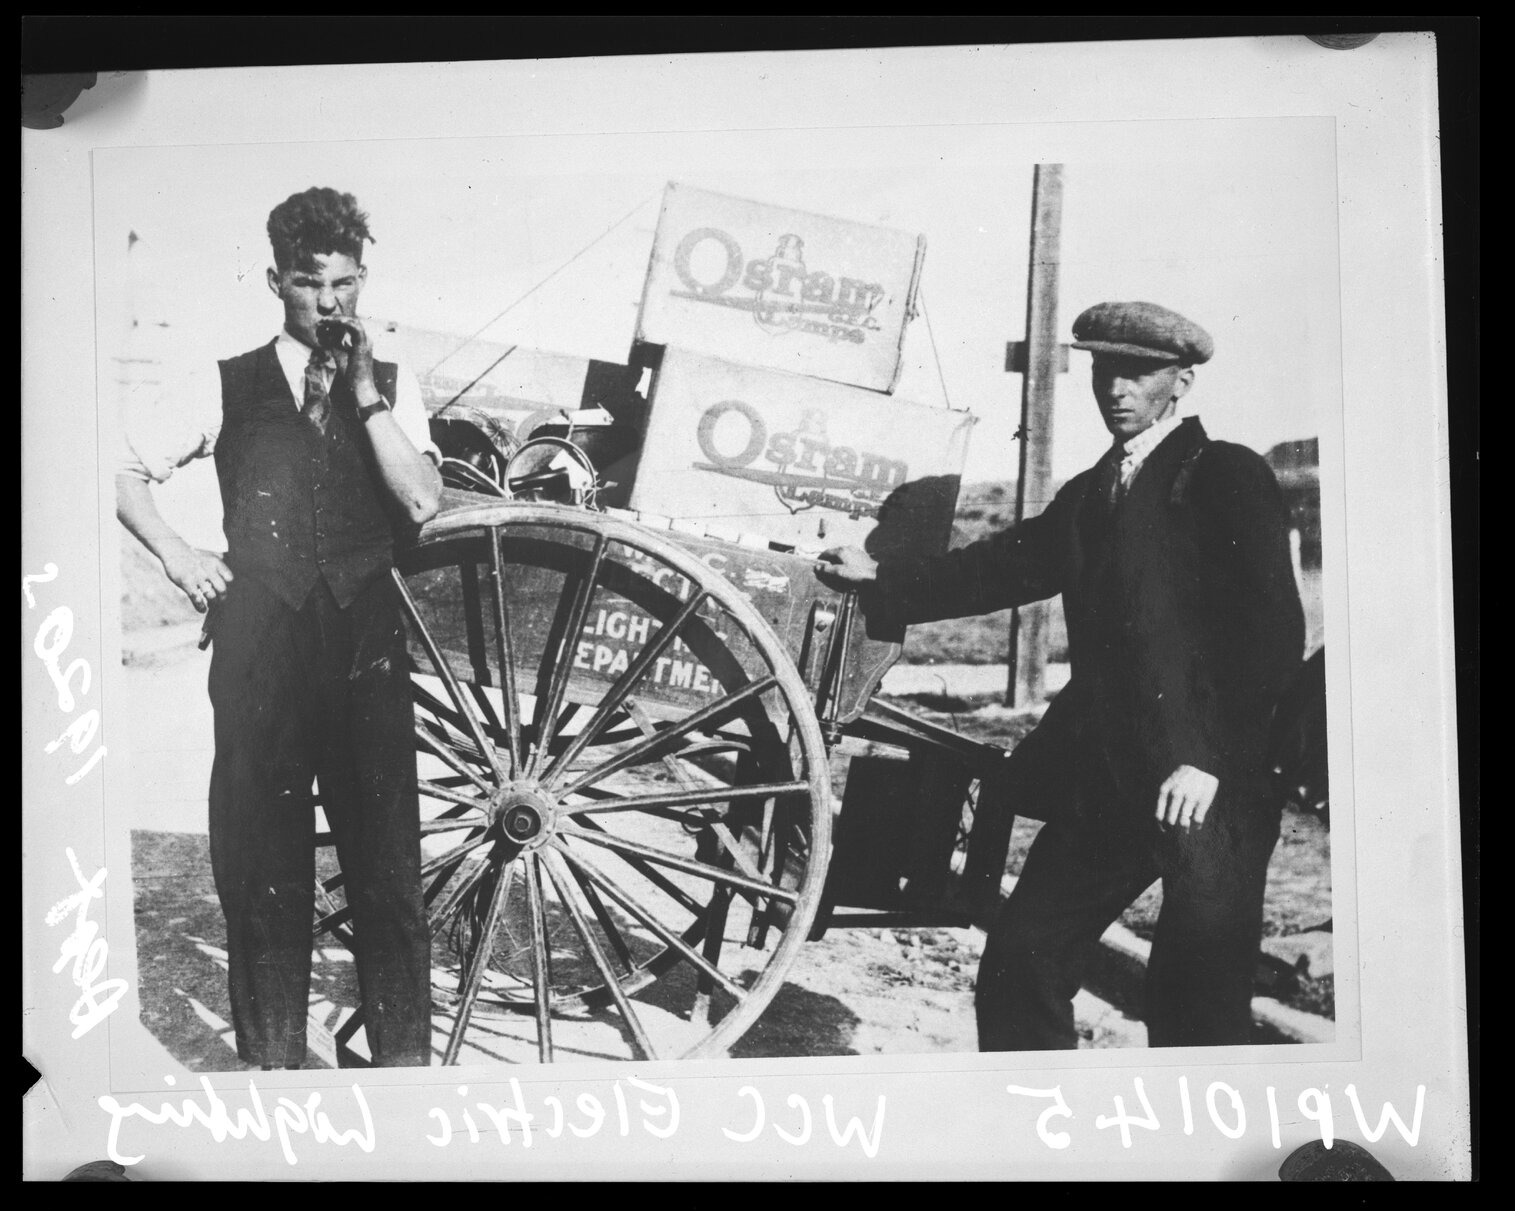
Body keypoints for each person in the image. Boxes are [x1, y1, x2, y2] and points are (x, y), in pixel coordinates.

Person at [817, 301, 1305, 1050]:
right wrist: (883, 575)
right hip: (1114, 781)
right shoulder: (1093, 490)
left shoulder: (1225, 474)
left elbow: (1269, 636)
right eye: (1105, 371)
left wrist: (1206, 760)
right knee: (1021, 961)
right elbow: (1000, 567)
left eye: (1137, 373)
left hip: (1215, 790)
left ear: (1180, 383)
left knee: (1195, 1008)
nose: (1116, 388)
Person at [117, 187, 443, 1068]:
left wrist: (366, 394)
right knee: (263, 873)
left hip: (366, 648)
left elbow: (421, 501)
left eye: (343, 283)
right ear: (275, 282)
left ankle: (403, 1081)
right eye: (307, 283)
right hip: (260, 650)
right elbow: (119, 468)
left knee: (388, 875)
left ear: (362, 279)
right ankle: (273, 1073)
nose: (328, 303)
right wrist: (177, 553)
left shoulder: (394, 387)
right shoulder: (225, 380)